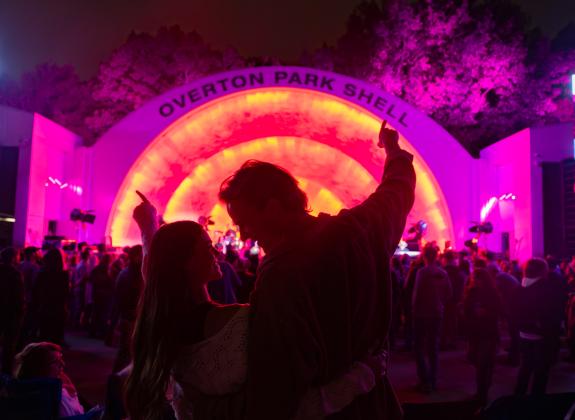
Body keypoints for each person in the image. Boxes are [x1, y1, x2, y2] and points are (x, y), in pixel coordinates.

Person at [218, 120, 414, 418]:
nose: (244, 235)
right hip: (377, 406)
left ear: (272, 207)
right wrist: (392, 150)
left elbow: (279, 395)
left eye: (245, 222)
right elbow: (396, 192)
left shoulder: (280, 277)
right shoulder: (357, 230)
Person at [125, 218, 382, 420]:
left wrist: (149, 227)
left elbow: (156, 272)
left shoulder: (165, 329)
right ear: (186, 263)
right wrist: (360, 377)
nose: (215, 251)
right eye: (206, 246)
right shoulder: (240, 324)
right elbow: (283, 408)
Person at [513, 258, 566, 396]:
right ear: (542, 271)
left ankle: (518, 399)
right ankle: (536, 403)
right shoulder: (544, 288)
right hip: (542, 336)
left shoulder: (519, 287)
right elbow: (550, 312)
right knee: (541, 372)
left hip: (524, 334)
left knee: (525, 368)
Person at [411, 243, 452, 393]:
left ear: (424, 256)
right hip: (437, 313)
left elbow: (416, 295)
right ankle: (433, 380)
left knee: (419, 347)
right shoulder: (443, 273)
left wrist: (413, 310)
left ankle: (424, 380)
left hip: (421, 314)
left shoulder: (422, 272)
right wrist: (439, 303)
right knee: (433, 347)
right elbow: (449, 293)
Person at [13, 342, 85, 418]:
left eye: (61, 358)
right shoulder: (51, 396)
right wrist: (73, 394)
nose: (63, 364)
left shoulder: (58, 385)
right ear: (40, 367)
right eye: (56, 361)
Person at [463, 268, 502, 405]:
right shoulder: (471, 292)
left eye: (477, 278)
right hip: (475, 333)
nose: (475, 280)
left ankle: (482, 393)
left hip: (487, 333)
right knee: (476, 360)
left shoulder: (492, 294)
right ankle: (483, 388)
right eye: (474, 278)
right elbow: (466, 311)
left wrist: (487, 313)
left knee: (483, 364)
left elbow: (499, 311)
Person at [109, 245, 143, 372]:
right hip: (129, 318)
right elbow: (122, 299)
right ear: (135, 257)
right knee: (126, 352)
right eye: (141, 254)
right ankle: (116, 381)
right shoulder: (129, 274)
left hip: (131, 317)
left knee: (128, 352)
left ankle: (119, 380)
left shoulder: (130, 273)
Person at [32, 249, 69, 345]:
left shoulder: (42, 274)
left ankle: (43, 356)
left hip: (45, 306)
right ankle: (55, 357)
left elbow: (36, 292)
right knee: (56, 336)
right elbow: (66, 293)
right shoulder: (64, 275)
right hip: (59, 308)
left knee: (44, 334)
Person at [0, 247, 25, 374]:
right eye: (18, 256)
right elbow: (18, 296)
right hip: (11, 312)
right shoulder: (15, 274)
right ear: (13, 258)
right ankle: (5, 372)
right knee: (9, 345)